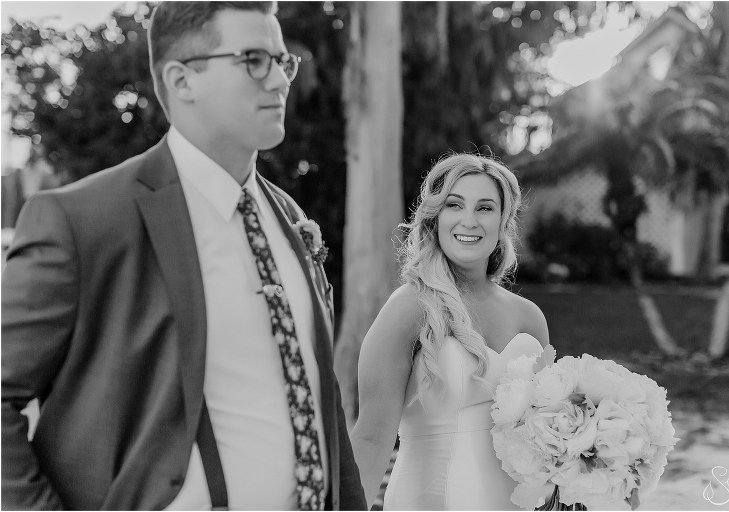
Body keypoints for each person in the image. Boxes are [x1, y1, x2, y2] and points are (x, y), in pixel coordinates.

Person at [1, 2, 365, 510]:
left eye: (283, 61)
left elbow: (318, 394)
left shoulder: (289, 217)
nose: (280, 80)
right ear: (182, 79)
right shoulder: (86, 221)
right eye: (254, 60)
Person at [351, 153, 550, 510]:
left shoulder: (530, 318)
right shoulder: (409, 308)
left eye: (485, 208)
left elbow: (549, 433)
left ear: (503, 221)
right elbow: (371, 438)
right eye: (454, 205)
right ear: (436, 217)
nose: (468, 221)